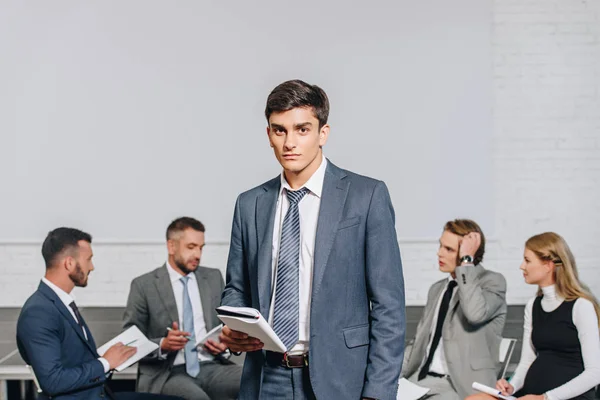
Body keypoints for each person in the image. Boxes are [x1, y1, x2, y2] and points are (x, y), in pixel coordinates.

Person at [219, 79, 406, 400]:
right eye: (280, 130)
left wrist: (378, 392)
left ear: (323, 133)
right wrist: (234, 327)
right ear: (269, 135)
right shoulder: (249, 204)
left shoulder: (366, 196)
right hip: (266, 377)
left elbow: (389, 306)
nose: (290, 142)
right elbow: (237, 287)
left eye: (302, 129)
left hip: (340, 378)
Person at [16, 227, 180, 399]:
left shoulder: (60, 303)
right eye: (88, 259)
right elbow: (53, 381)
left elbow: (72, 360)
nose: (92, 267)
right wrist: (106, 362)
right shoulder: (38, 312)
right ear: (69, 263)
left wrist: (108, 358)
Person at [467, 232, 600, 400]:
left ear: (548, 265)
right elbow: (527, 362)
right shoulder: (533, 306)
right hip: (531, 395)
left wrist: (546, 397)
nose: (522, 266)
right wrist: (511, 386)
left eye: (527, 260)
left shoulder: (581, 306)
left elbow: (595, 373)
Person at [123, 217, 242, 400]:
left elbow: (227, 326)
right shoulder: (143, 285)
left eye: (201, 248)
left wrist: (224, 345)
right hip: (169, 373)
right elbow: (130, 341)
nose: (198, 255)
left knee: (256, 380)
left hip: (213, 366)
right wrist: (163, 344)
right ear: (171, 247)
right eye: (191, 247)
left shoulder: (213, 278)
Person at [402, 219, 507, 400]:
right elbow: (419, 342)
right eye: (441, 246)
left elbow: (475, 314)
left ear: (469, 253)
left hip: (460, 386)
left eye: (449, 249)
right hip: (421, 379)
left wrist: (466, 263)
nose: (439, 253)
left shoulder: (492, 282)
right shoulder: (437, 289)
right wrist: (385, 374)